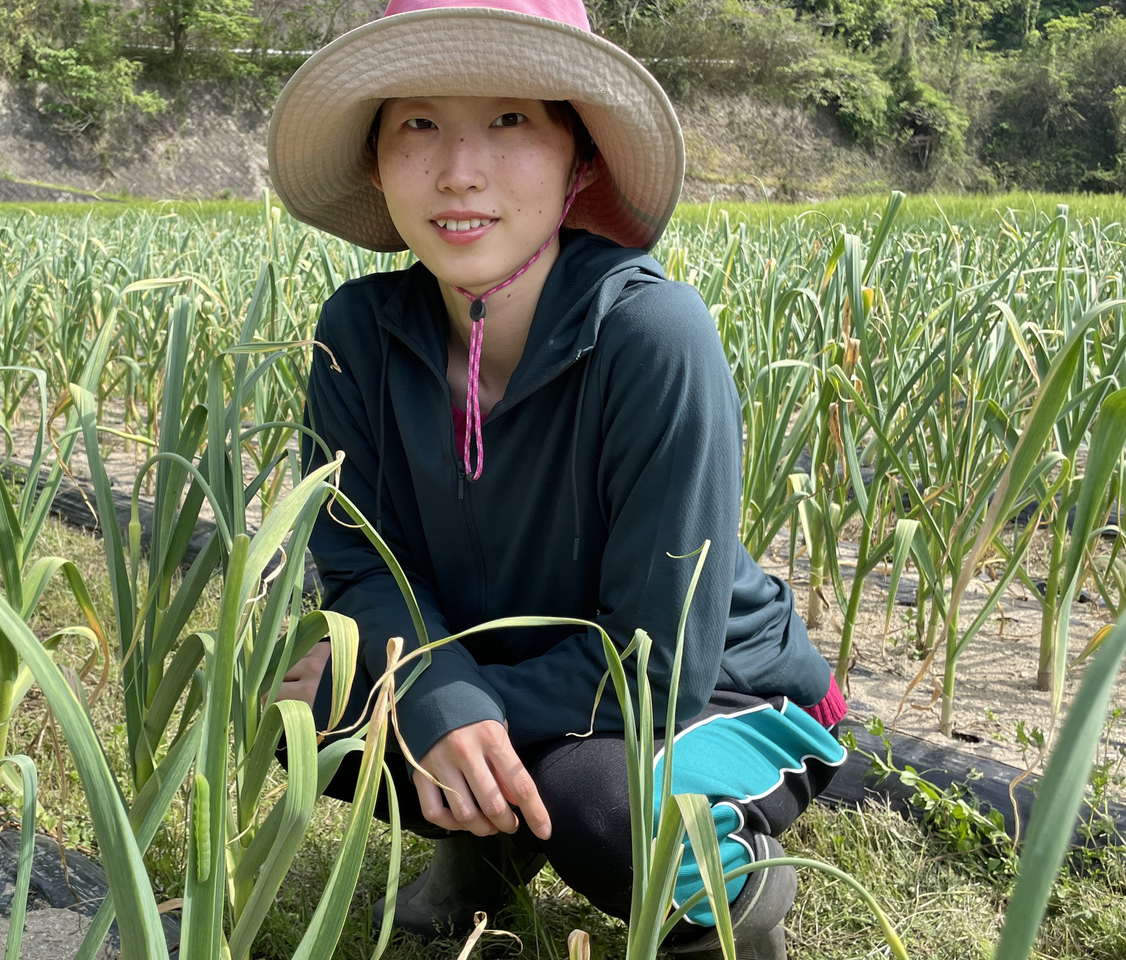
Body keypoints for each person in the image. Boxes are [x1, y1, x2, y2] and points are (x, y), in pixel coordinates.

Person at [265, 0, 850, 956]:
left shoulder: (653, 337)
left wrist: (432, 696)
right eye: (418, 122)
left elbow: (660, 664)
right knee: (309, 704)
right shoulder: (358, 333)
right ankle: (488, 847)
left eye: (509, 120)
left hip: (721, 689)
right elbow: (362, 567)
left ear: (579, 157)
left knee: (602, 803)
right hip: (527, 670)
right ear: (376, 156)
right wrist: (431, 693)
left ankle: (725, 902)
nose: (460, 169)